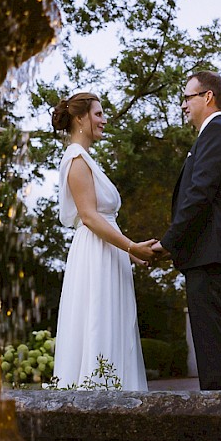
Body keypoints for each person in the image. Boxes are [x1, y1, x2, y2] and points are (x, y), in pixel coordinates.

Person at [51, 92, 154, 390]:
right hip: (95, 254)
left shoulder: (86, 159)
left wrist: (130, 252)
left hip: (108, 252)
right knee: (99, 322)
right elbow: (90, 216)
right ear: (80, 118)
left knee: (115, 326)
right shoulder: (75, 158)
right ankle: (98, 394)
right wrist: (130, 246)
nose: (104, 120)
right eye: (98, 114)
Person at [153, 71, 221, 390]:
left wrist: (168, 243)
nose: (182, 105)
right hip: (210, 257)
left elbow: (199, 194)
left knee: (214, 349)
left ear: (208, 97)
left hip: (212, 258)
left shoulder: (217, 132)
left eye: (187, 97)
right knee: (213, 347)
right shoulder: (213, 134)